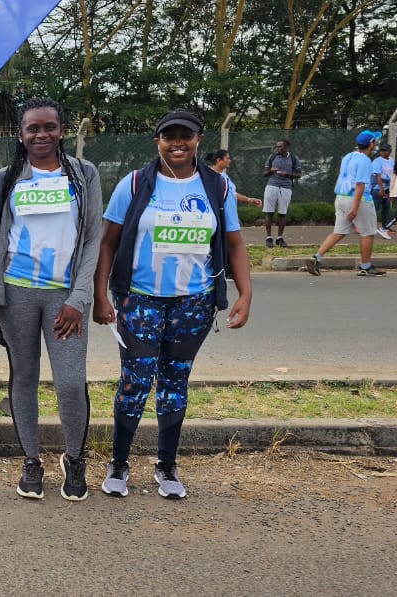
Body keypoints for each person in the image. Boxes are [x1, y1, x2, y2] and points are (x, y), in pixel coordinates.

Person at [93, 109, 252, 500]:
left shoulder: (218, 187)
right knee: (135, 381)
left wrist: (245, 293)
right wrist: (100, 293)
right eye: (169, 136)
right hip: (139, 300)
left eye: (186, 136)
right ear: (158, 142)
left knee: (174, 382)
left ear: (199, 139)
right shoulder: (134, 184)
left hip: (193, 304)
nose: (177, 143)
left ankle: (166, 466)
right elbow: (108, 242)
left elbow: (234, 243)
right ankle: (119, 463)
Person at [0, 97, 101, 502]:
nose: (42, 134)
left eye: (49, 127)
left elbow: (93, 238)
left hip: (65, 297)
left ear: (62, 130)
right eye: (33, 128)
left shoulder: (83, 174)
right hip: (15, 293)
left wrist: (80, 297)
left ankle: (74, 458)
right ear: (20, 134)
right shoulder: (6, 178)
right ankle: (31, 461)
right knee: (24, 377)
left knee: (70, 381)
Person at [306, 131, 385, 277]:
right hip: (358, 199)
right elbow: (360, 184)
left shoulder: (348, 156)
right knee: (368, 233)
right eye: (375, 141)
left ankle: (316, 258)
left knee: (339, 231)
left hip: (341, 197)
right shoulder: (365, 161)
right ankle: (366, 266)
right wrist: (355, 208)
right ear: (371, 144)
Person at [261, 140, 300, 247]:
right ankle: (269, 238)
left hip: (286, 188)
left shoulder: (293, 158)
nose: (277, 148)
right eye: (276, 146)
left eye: (279, 147)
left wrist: (287, 175)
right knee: (269, 212)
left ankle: (279, 238)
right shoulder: (272, 157)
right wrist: (271, 171)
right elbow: (265, 173)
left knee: (283, 213)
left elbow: (299, 175)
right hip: (271, 186)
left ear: (286, 147)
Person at [373, 144, 394, 238]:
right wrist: (381, 189)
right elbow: (378, 176)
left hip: (387, 188)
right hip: (378, 188)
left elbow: (393, 174)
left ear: (389, 152)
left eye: (385, 150)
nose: (382, 152)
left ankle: (385, 227)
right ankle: (369, 227)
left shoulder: (391, 161)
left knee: (386, 208)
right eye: (381, 150)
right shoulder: (377, 161)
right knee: (375, 208)